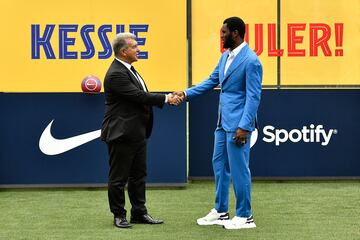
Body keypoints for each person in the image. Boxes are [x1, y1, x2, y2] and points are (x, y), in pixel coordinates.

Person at [175, 17, 262, 230]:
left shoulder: (251, 61)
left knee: (239, 170)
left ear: (235, 33)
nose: (221, 36)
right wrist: (185, 94)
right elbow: (210, 81)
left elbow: (253, 97)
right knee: (220, 167)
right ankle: (222, 211)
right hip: (222, 122)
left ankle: (245, 216)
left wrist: (244, 126)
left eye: (224, 32)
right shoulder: (225, 57)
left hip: (238, 125)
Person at [101, 32, 181, 228]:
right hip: (121, 134)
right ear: (123, 51)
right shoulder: (116, 74)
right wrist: (166, 98)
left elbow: (140, 95)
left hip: (137, 132)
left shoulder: (129, 69)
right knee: (118, 178)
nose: (139, 49)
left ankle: (139, 213)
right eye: (135, 46)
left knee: (138, 176)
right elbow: (138, 96)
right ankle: (119, 215)